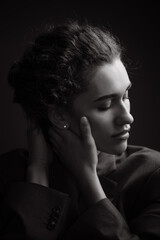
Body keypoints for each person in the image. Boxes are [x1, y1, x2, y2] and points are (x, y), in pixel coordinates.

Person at [0, 20, 160, 240]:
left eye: (126, 96)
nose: (128, 117)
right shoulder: (8, 174)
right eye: (104, 105)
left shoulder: (153, 174)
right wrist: (37, 172)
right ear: (59, 115)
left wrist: (88, 179)